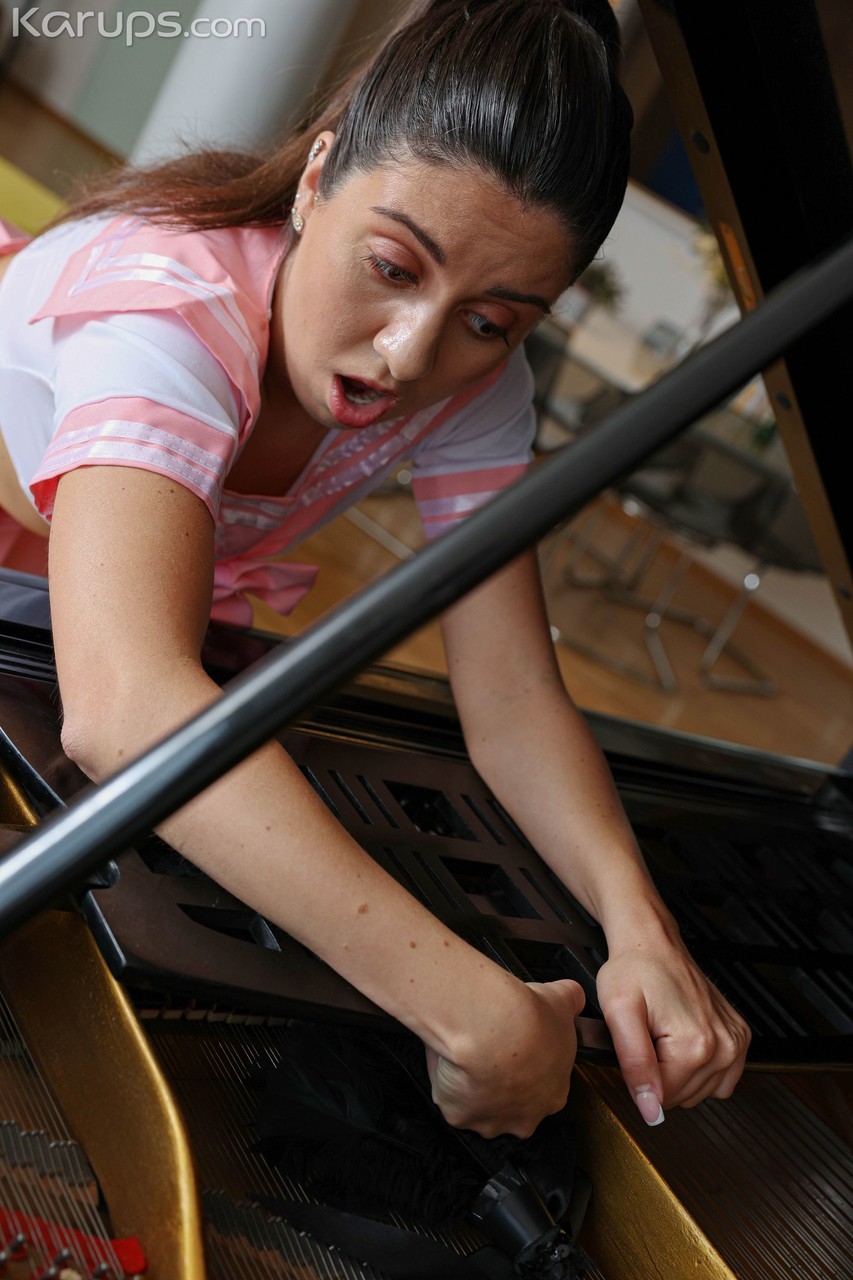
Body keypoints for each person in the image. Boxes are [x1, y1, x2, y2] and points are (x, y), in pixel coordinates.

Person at [0, 0, 749, 1139]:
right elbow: (125, 706)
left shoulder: (473, 379)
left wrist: (642, 930)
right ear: (315, 181)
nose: (409, 353)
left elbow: (510, 692)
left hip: (67, 594)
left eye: (490, 321)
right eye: (393, 265)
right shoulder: (167, 310)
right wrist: (466, 1007)